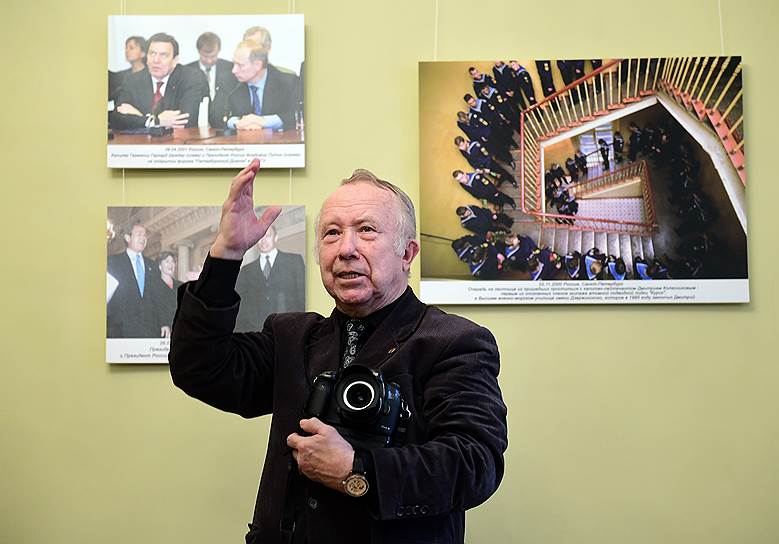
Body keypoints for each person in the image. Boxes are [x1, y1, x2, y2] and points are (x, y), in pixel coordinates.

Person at [169, 160, 508, 544]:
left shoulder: (452, 342)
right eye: (331, 233)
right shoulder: (291, 337)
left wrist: (356, 470)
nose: (346, 249)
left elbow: (475, 463)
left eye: (366, 231)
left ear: (407, 253)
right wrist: (226, 254)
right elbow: (198, 366)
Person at [112, 33, 203, 130]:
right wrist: (155, 121)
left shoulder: (190, 78)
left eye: (163, 55)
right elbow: (116, 120)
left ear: (175, 60)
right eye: (152, 54)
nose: (156, 60)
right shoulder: (133, 80)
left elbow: (185, 120)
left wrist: (140, 117)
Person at [209, 39, 298, 130]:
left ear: (257, 65)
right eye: (234, 63)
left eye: (240, 65)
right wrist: (238, 123)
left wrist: (265, 121)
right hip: (241, 142)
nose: (234, 70)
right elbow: (215, 116)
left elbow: (297, 115)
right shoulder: (229, 81)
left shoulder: (286, 82)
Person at [234, 223, 306, 332]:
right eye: (260, 237)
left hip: (290, 328)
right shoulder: (246, 270)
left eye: (267, 236)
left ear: (275, 238)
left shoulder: (294, 261)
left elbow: (302, 296)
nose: (263, 240)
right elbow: (241, 305)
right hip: (257, 332)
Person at [107, 224, 157, 338]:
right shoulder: (113, 263)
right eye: (139, 234)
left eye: (145, 235)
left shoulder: (153, 265)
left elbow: (157, 298)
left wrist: (164, 323)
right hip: (121, 332)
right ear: (127, 238)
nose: (143, 238)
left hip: (149, 332)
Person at [186, 31, 237, 101]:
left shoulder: (231, 69)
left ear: (219, 51)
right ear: (198, 51)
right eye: (205, 56)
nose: (209, 61)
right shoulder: (187, 72)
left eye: (213, 56)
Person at [149, 251, 182, 338]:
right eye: (167, 261)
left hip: (179, 332)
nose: (171, 264)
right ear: (160, 266)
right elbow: (152, 311)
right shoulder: (152, 287)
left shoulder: (181, 286)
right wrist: (162, 324)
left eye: (173, 261)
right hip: (160, 333)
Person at [109, 36, 147, 103]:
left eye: (131, 48)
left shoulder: (151, 75)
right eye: (126, 48)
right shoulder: (121, 76)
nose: (127, 51)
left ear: (143, 53)